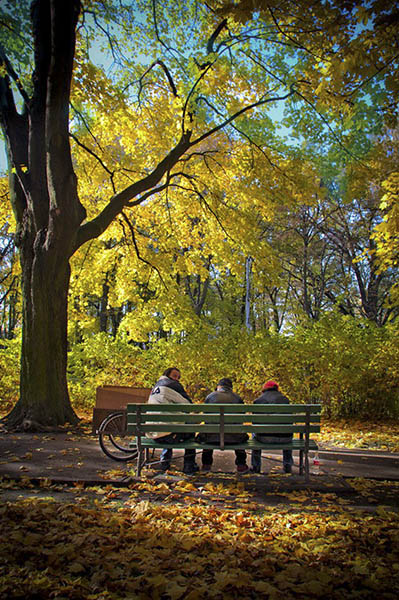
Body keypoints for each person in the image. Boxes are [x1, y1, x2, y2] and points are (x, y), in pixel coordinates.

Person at [147, 367, 199, 475]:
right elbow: (189, 405)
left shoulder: (155, 387)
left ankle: (164, 462)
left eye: (179, 377)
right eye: (175, 376)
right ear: (167, 374)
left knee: (169, 425)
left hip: (153, 434)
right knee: (189, 428)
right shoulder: (174, 385)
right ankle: (189, 465)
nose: (177, 379)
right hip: (169, 436)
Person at [198, 378, 249, 473]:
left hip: (211, 438)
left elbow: (206, 414)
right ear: (231, 387)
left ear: (218, 386)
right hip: (235, 438)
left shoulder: (210, 396)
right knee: (238, 433)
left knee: (208, 432)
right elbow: (242, 415)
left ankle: (206, 465)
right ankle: (241, 465)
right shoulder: (237, 398)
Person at [251, 380, 294, 474]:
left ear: (264, 389)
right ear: (276, 389)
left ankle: (256, 466)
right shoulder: (285, 400)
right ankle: (287, 465)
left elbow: (255, 421)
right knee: (286, 430)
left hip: (264, 438)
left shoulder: (258, 401)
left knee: (254, 433)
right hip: (285, 439)